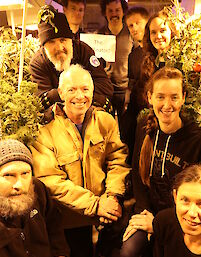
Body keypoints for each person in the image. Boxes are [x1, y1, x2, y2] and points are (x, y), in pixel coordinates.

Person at [31, 64, 130, 257]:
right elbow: (50, 181)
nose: (79, 96)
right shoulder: (45, 130)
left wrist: (112, 196)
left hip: (107, 214)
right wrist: (95, 205)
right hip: (69, 222)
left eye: (85, 89)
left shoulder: (105, 121)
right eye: (72, 89)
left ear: (92, 92)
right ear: (60, 92)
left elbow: (118, 159)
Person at [119, 67, 201, 257]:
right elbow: (137, 177)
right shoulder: (143, 129)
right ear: (149, 97)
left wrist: (158, 223)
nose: (167, 105)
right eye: (160, 97)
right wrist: (146, 212)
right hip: (146, 213)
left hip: (185, 221)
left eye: (174, 97)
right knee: (128, 252)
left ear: (183, 97)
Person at [0, 139, 69, 257]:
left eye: (25, 174)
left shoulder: (37, 190)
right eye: (8, 175)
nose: (19, 185)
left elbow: (55, 229)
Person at [29, 5, 113, 123]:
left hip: (87, 113)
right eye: (52, 42)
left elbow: (106, 87)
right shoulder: (38, 63)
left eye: (63, 40)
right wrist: (80, 91)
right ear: (43, 45)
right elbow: (41, 102)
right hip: (56, 122)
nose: (59, 47)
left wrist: (67, 94)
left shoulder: (83, 50)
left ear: (71, 40)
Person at [120, 6, 149, 163]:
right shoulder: (133, 55)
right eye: (130, 25)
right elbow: (131, 85)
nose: (134, 28)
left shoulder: (156, 52)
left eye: (138, 23)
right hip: (136, 107)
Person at [98, 0, 133, 123]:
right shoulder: (99, 35)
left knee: (126, 129)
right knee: (107, 126)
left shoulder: (131, 34)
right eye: (110, 11)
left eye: (117, 10)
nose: (114, 14)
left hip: (126, 89)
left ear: (123, 11)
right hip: (107, 90)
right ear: (105, 13)